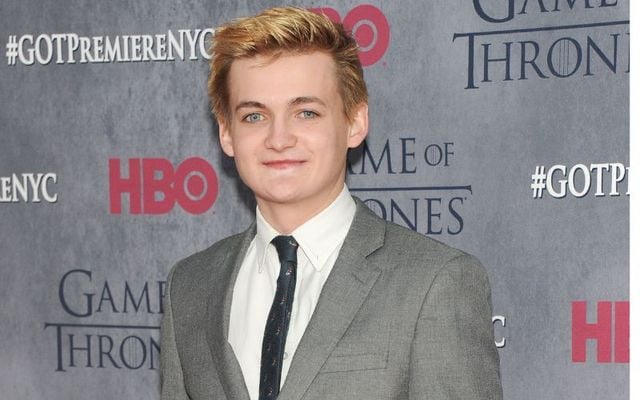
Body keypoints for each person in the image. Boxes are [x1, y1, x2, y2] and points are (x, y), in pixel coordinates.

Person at [160, 6, 502, 400]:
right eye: (255, 116)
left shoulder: (435, 283)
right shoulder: (190, 284)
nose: (279, 138)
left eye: (306, 112)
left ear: (354, 123)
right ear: (227, 134)